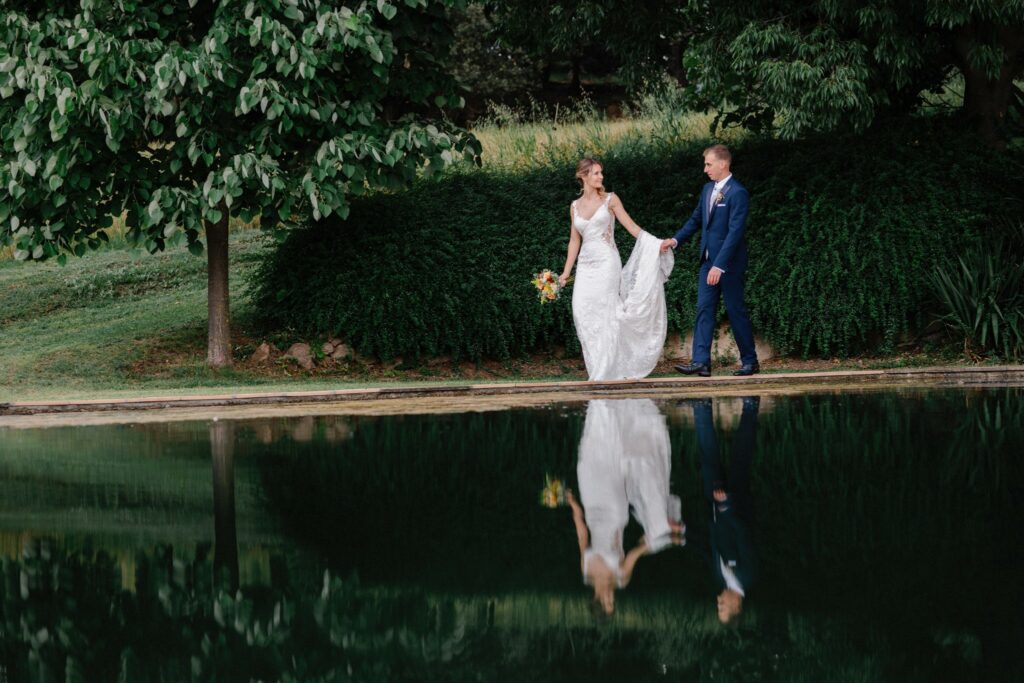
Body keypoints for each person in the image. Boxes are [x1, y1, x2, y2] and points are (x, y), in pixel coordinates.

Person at [568, 399, 685, 616]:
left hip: (592, 505)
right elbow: (636, 552)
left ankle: (604, 414)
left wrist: (573, 504)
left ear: (598, 600)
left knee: (593, 460)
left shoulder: (586, 571)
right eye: (613, 603)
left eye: (608, 602)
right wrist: (660, 535)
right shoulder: (621, 577)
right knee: (617, 460)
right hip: (615, 510)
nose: (612, 599)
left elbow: (582, 536)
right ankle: (623, 419)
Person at [560, 158, 674, 381]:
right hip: (585, 267)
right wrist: (566, 272)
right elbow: (574, 240)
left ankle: (604, 373)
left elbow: (632, 227)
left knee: (606, 314)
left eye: (601, 173)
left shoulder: (610, 200)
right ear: (582, 176)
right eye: (595, 173)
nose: (600, 177)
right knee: (581, 312)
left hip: (607, 264)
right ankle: (598, 367)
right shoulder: (574, 206)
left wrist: (656, 243)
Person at [660, 145, 759, 377]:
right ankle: (701, 362)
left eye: (708, 164)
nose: (705, 169)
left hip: (729, 265)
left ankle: (750, 361)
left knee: (735, 311)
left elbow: (735, 233)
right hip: (707, 262)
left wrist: (720, 265)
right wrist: (675, 240)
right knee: (704, 310)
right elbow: (696, 220)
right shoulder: (707, 190)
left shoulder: (738, 192)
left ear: (723, 164)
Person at [686, 396, 760, 624]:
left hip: (715, 504)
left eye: (719, 607)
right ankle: (750, 406)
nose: (719, 602)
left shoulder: (721, 578)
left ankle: (701, 407)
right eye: (723, 607)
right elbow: (744, 536)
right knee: (741, 455)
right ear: (736, 605)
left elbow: (710, 549)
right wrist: (727, 506)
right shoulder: (748, 576)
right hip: (735, 503)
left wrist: (683, 536)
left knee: (708, 457)